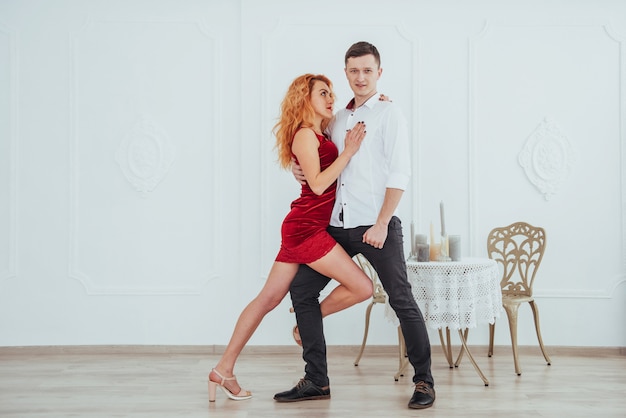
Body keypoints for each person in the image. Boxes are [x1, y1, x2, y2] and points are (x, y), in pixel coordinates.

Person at [273, 42, 436, 409]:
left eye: (367, 70)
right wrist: (297, 170)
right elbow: (320, 159)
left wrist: (381, 224)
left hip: (375, 225)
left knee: (401, 299)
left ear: (379, 73)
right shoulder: (337, 119)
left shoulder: (390, 114)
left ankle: (424, 381)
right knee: (301, 291)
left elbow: (400, 173)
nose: (360, 77)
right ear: (346, 73)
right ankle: (316, 380)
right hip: (333, 226)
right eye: (353, 71)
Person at [208, 74, 374, 402]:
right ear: (305, 98)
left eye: (331, 93)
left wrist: (380, 100)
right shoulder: (304, 135)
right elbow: (317, 185)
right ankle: (302, 326)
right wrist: (349, 152)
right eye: (323, 93)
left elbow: (319, 168)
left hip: (306, 227)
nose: (331, 98)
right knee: (363, 287)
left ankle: (223, 370)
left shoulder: (319, 132)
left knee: (267, 300)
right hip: (307, 229)